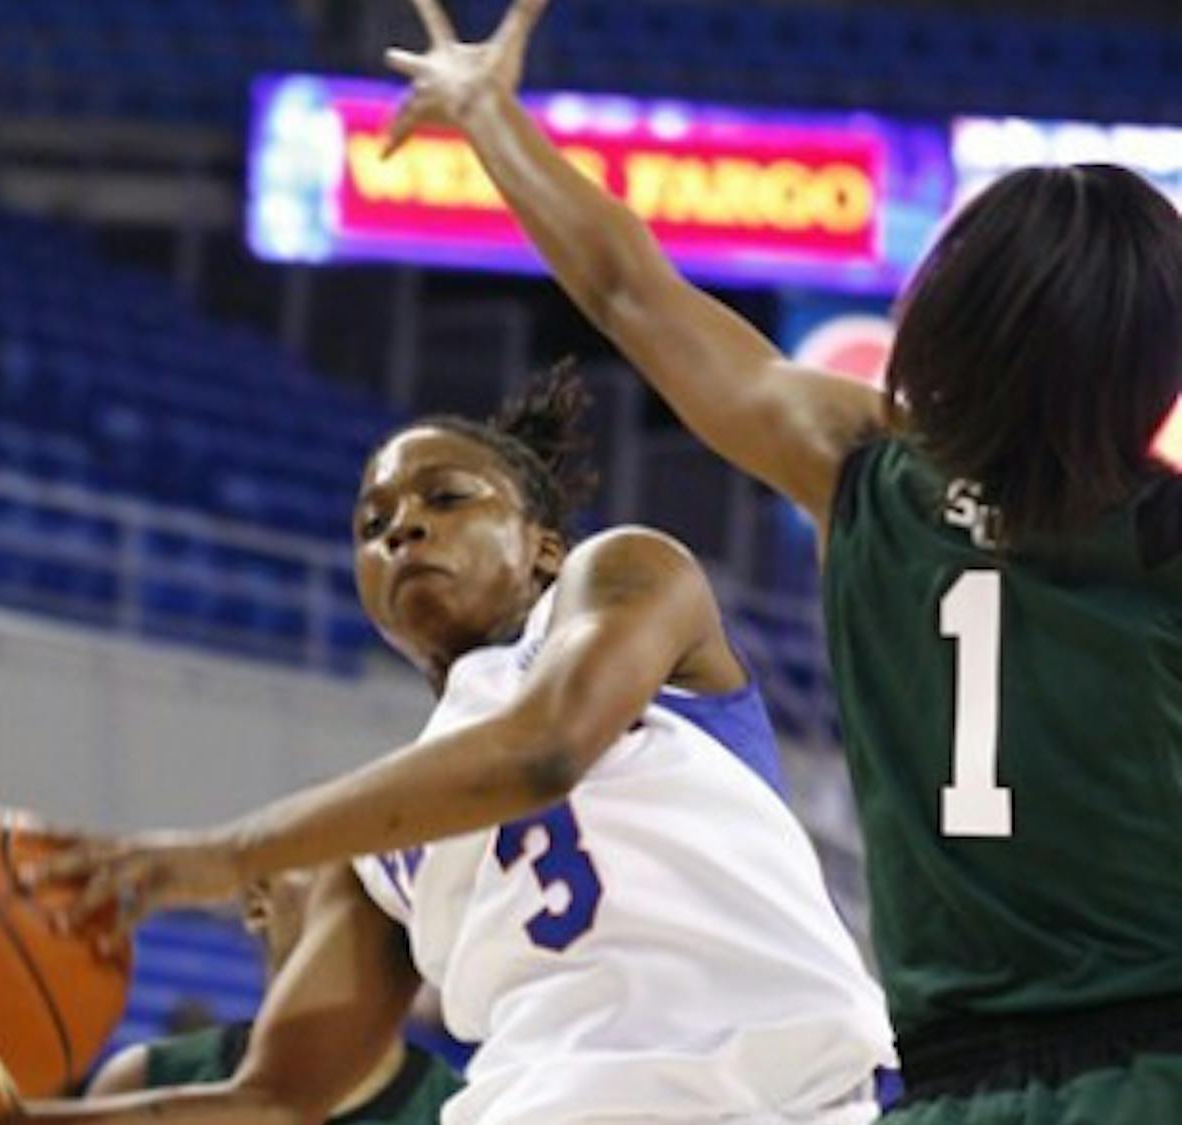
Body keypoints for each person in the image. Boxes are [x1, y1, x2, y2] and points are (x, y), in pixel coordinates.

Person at [373, 2, 1182, 1121]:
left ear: (948, 316)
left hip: (949, 1093)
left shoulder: (858, 471)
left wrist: (488, 117)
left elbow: (626, 290)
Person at [0, 370, 894, 1123]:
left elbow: (545, 748)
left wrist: (229, 850)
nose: (402, 531)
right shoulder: (380, 845)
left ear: (543, 545)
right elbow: (276, 1096)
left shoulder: (628, 578)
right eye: (372, 522)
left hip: (785, 1094)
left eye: (446, 499)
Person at [87, 869, 463, 1123]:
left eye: (373, 886)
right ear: (257, 898)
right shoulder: (145, 1081)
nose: (360, 907)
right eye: (333, 877)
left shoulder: (467, 1109)